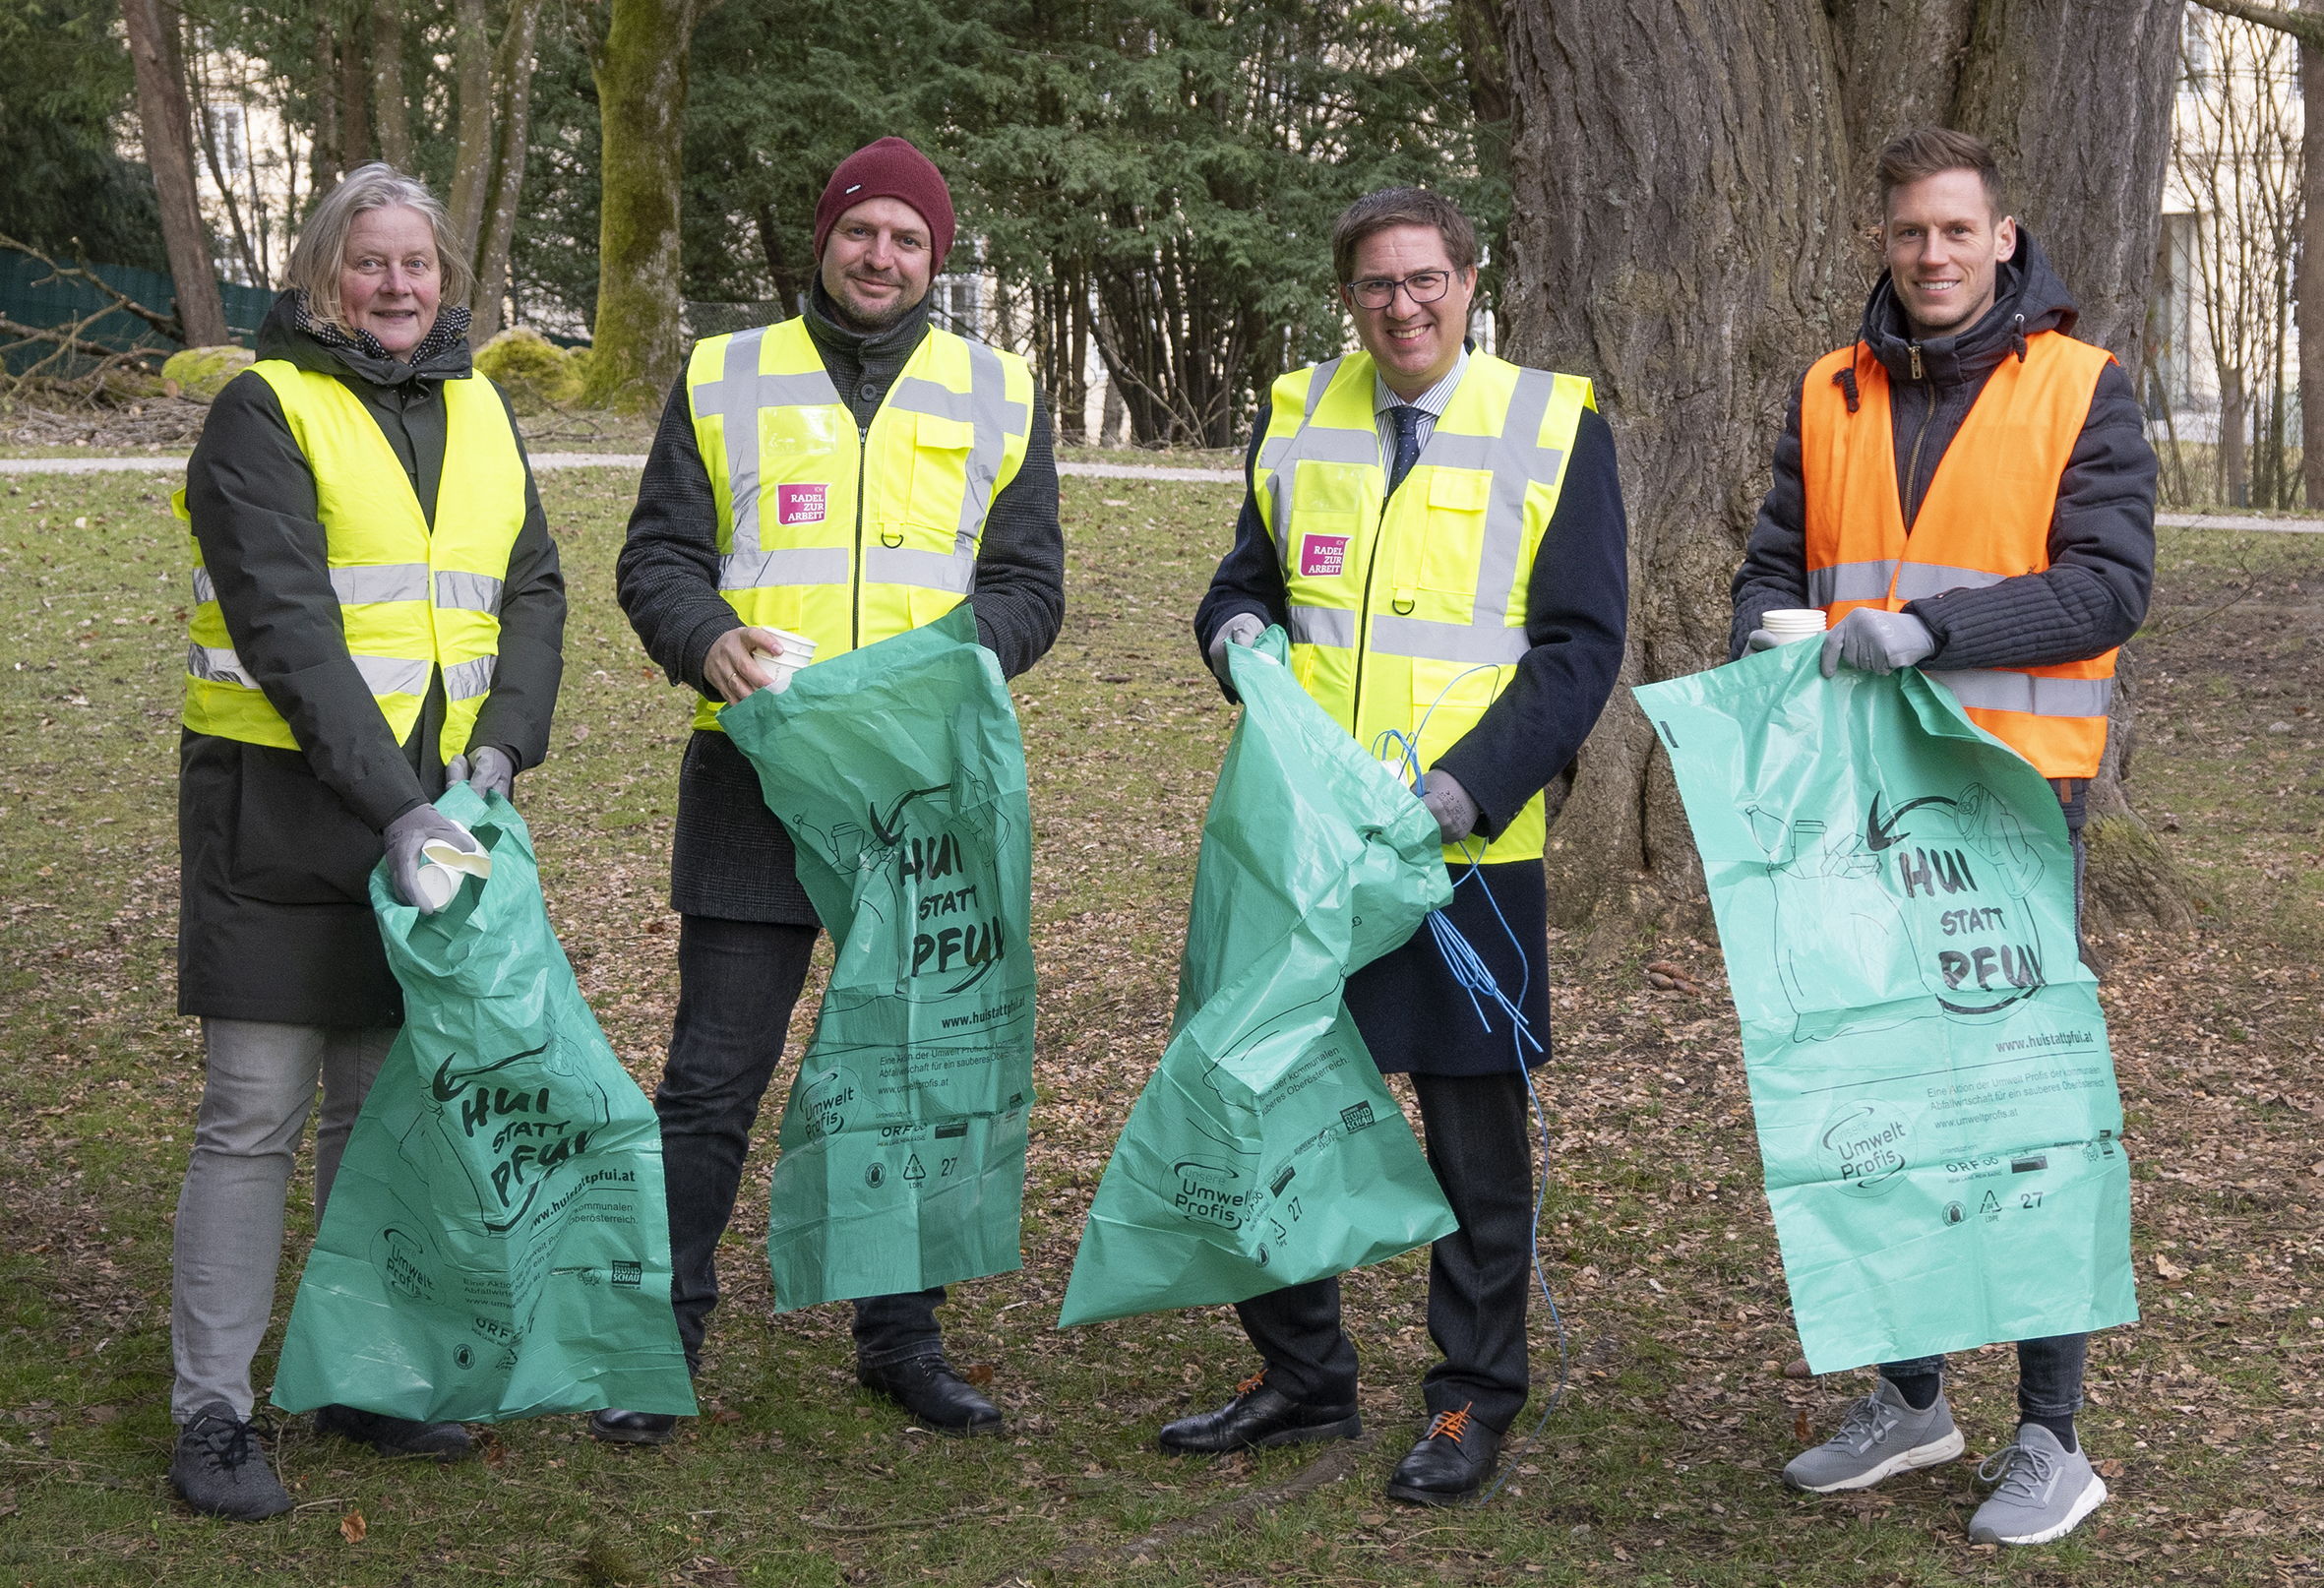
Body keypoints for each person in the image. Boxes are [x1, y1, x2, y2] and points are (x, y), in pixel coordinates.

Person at [601, 136, 1064, 1444]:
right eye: (862, 232)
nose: (881, 256)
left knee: (909, 1072)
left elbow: (1031, 588)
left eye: (908, 238)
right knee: (710, 1074)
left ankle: (900, 1337)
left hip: (920, 794)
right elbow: (657, 559)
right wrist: (705, 640)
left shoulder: (999, 391)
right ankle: (658, 1338)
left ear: (938, 255)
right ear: (822, 242)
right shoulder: (723, 375)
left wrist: (954, 662)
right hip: (758, 774)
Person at [1729, 128, 2155, 1547]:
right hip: (1862, 801)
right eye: (1908, 233)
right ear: (1883, 241)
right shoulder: (1826, 391)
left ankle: (2054, 1435)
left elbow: (2106, 586)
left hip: (2014, 801)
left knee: (2022, 1112)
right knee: (1886, 1094)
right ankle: (1911, 1396)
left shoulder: (2079, 389)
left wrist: (1936, 630)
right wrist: (1765, 637)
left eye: (1954, 233)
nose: (1929, 257)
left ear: (2003, 238)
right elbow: (1778, 561)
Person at [1179, 188, 1628, 1504]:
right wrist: (1231, 638)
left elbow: (1578, 647)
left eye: (1425, 279)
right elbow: (1241, 584)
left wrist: (1462, 790)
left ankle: (1470, 1397)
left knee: (1470, 1134)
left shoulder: (1552, 424)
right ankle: (1301, 1372)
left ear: (1469, 280)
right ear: (1347, 299)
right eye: (1376, 286)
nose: (1402, 306)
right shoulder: (1296, 412)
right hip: (1303, 843)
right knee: (1268, 1095)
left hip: (1460, 852)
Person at [169, 162, 567, 1519]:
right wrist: (394, 803)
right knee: (253, 1115)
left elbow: (532, 587)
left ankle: (355, 1371)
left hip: (437, 818)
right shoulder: (262, 410)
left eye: (418, 264)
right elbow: (285, 624)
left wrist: (499, 757)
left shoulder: (483, 407)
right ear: (318, 274)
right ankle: (212, 1410)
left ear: (446, 280)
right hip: (285, 811)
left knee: (378, 1109)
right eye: (368, 262)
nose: (397, 287)